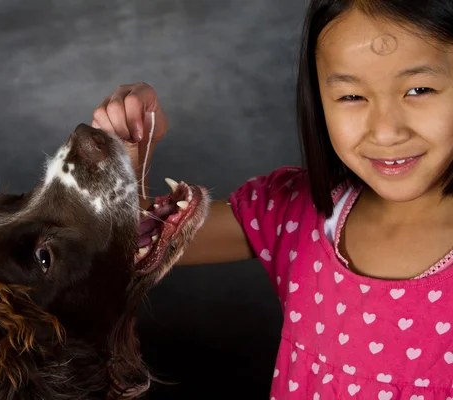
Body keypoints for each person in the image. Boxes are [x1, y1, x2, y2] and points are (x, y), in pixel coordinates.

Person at [91, 0, 453, 398]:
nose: (385, 132)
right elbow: (125, 247)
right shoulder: (295, 213)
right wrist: (128, 155)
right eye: (351, 96)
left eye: (420, 90)